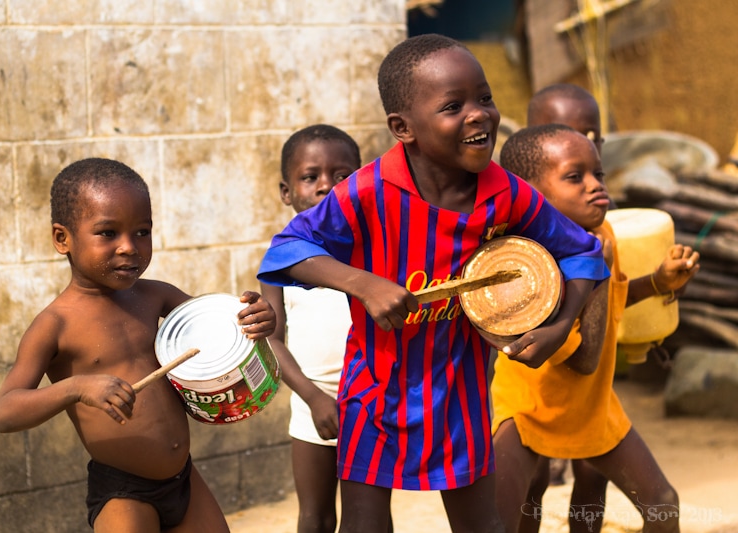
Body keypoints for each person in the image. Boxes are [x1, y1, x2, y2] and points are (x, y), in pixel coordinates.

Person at [257, 34, 609, 533]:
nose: (479, 114)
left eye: (484, 98)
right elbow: (286, 250)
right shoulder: (368, 191)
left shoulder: (505, 193)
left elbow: (583, 252)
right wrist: (363, 283)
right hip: (373, 394)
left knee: (481, 525)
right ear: (403, 128)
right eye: (453, 105)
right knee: (363, 525)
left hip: (459, 394)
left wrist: (560, 325)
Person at [0, 158, 276, 533]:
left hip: (184, 480)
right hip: (124, 492)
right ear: (63, 239)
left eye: (142, 232)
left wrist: (257, 318)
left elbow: (222, 327)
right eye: (108, 233)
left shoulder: (156, 296)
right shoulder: (54, 325)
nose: (128, 247)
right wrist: (77, 387)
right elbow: (5, 412)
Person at [492, 124, 699, 533]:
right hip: (528, 408)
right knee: (505, 516)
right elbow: (583, 357)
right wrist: (595, 267)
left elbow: (609, 306)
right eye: (575, 177)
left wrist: (658, 282)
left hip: (592, 406)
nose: (595, 186)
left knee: (663, 504)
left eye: (598, 174)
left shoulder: (601, 235)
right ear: (531, 193)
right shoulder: (530, 260)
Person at [260, 124, 372, 533]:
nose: (327, 187)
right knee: (316, 517)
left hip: (371, 402)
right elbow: (271, 339)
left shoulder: (374, 252)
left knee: (369, 518)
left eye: (342, 176)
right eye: (311, 177)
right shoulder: (280, 261)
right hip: (312, 405)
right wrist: (313, 398)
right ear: (287, 191)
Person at [526, 82, 610, 490]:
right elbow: (581, 356)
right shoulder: (526, 251)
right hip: (534, 398)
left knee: (593, 481)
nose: (581, 142)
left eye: (592, 136)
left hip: (594, 394)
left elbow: (619, 303)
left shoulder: (602, 225)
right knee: (531, 484)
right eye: (564, 131)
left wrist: (659, 284)